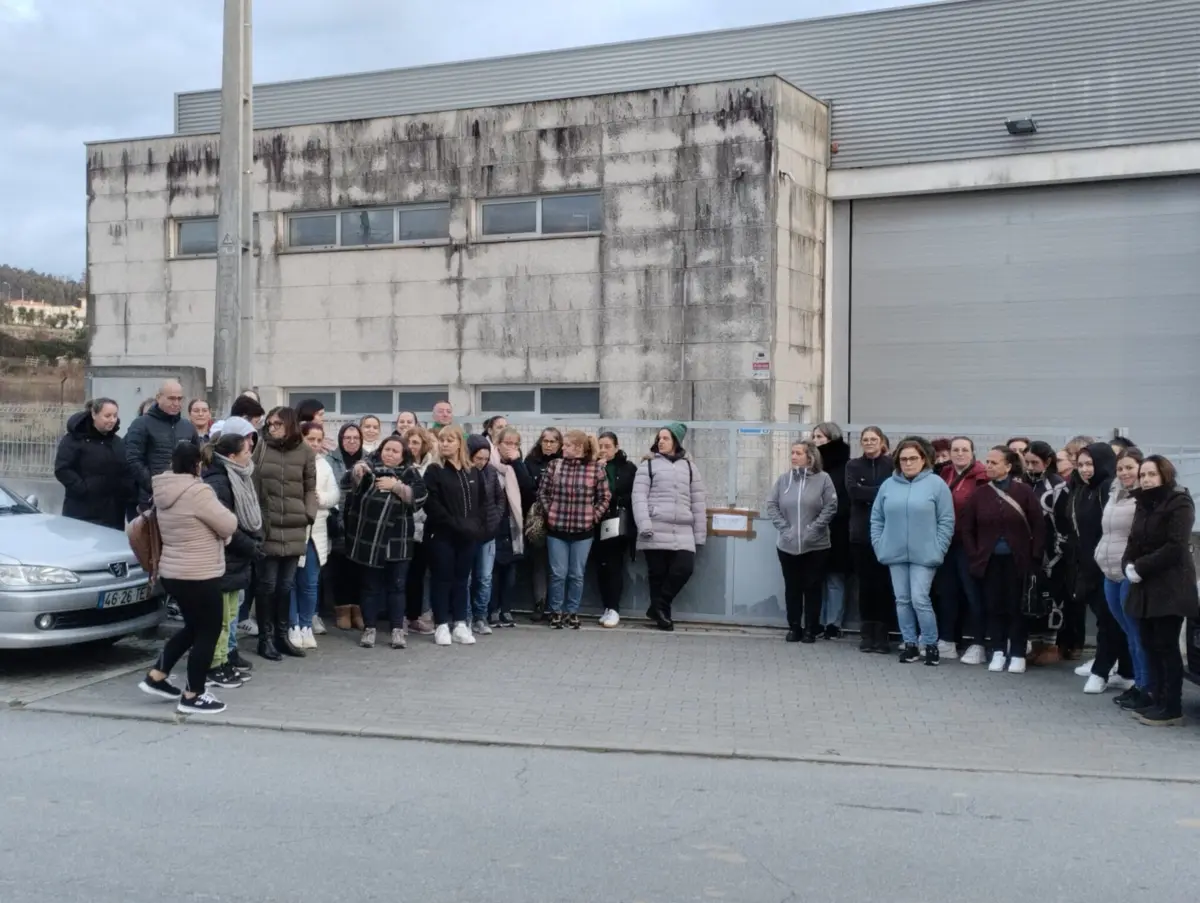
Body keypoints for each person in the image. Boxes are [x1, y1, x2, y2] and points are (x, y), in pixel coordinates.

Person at [137, 442, 237, 714]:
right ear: (197, 465)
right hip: (199, 574)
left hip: (173, 572)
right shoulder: (197, 491)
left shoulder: (163, 488)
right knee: (208, 632)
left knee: (193, 628)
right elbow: (228, 523)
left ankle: (157, 676)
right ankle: (193, 695)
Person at [1124, 455, 1199, 726]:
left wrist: (1140, 566)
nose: (1146, 480)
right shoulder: (1144, 503)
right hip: (1145, 587)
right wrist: (1128, 564)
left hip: (1170, 587)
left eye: (1151, 474)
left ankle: (1172, 706)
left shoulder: (1179, 502)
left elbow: (1175, 545)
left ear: (1164, 475)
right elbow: (1133, 540)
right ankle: (1156, 698)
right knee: (1149, 644)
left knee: (1166, 646)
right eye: (1143, 475)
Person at [870, 437, 955, 666]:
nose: (908, 463)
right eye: (903, 459)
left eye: (913, 458)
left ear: (924, 460)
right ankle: (909, 644)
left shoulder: (937, 485)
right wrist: (879, 544)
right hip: (895, 552)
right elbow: (877, 517)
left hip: (925, 554)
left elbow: (946, 520)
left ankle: (930, 644)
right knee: (902, 600)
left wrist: (939, 548)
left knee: (920, 598)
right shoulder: (888, 485)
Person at [961, 446, 1045, 673]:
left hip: (1019, 562)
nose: (988, 466)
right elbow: (966, 528)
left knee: (1017, 607)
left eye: (994, 462)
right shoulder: (979, 494)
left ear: (1008, 466)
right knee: (993, 606)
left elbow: (1039, 525)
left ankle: (1017, 652)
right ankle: (998, 650)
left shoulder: (1024, 492)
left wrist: (1035, 557)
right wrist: (975, 553)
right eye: (987, 461)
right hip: (989, 562)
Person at [1060, 442, 1134, 694]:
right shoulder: (1084, 490)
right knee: (1111, 621)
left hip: (1111, 566)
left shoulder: (1108, 488)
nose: (1085, 469)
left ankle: (1102, 670)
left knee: (1110, 623)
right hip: (1090, 564)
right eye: (1080, 465)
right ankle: (1126, 672)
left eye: (1089, 464)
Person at [343, 434, 428, 649]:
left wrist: (396, 487)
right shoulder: (368, 468)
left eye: (395, 451)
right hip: (370, 540)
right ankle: (369, 628)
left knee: (397, 587)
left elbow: (420, 498)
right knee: (370, 586)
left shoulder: (410, 472)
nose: (389, 454)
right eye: (387, 449)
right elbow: (347, 487)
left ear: (403, 455)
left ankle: (397, 630)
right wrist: (358, 471)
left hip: (398, 540)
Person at [252, 407, 317, 660]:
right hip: (266, 525)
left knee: (285, 585)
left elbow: (310, 488)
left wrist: (307, 514)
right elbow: (252, 482)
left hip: (294, 525)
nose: (272, 428)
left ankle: (282, 636)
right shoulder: (262, 447)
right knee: (267, 585)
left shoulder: (305, 452)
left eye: (277, 424)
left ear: (289, 424)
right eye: (269, 424)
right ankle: (265, 639)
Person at [201, 429, 262, 688]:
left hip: (237, 558)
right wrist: (250, 546)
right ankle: (214, 665)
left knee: (231, 616)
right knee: (223, 620)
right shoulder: (219, 481)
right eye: (246, 451)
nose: (250, 454)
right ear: (231, 455)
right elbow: (225, 525)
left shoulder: (239, 476)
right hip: (225, 557)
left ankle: (224, 660)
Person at [632, 423, 706, 632]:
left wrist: (699, 534)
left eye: (666, 438)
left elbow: (698, 501)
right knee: (658, 574)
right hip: (654, 527)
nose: (661, 442)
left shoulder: (690, 467)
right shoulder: (647, 466)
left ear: (676, 441)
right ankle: (663, 616)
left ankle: (659, 606)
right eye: (659, 438)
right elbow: (638, 498)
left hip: (683, 530)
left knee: (684, 568)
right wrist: (644, 524)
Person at [1093, 447, 1150, 706]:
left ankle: (1146, 686)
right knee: (1128, 632)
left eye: (1130, 467)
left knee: (1138, 635)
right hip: (1110, 572)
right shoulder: (1114, 492)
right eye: (1121, 468)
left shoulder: (1145, 497)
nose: (1125, 472)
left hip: (1130, 573)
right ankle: (1139, 682)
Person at [538, 430, 612, 629]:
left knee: (576, 574)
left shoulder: (596, 469)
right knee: (558, 573)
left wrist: (593, 516)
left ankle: (572, 612)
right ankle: (555, 611)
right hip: (557, 529)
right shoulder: (554, 466)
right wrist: (549, 513)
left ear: (579, 447)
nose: (562, 448)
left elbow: (605, 497)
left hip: (583, 531)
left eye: (567, 445)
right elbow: (543, 493)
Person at [766, 439, 837, 644]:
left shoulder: (823, 479)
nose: (793, 456)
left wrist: (814, 529)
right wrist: (785, 528)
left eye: (798, 453)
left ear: (810, 457)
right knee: (792, 587)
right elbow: (772, 505)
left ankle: (811, 628)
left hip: (816, 546)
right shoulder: (784, 480)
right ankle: (794, 627)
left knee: (813, 586)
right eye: (792, 453)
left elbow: (830, 507)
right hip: (787, 545)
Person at [422, 425, 488, 645]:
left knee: (462, 580)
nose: (445, 444)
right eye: (442, 440)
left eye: (450, 440)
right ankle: (441, 624)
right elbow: (432, 504)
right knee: (442, 579)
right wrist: (457, 524)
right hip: (442, 535)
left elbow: (481, 503)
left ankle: (460, 623)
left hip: (468, 536)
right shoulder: (434, 470)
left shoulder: (473, 471)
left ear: (460, 443)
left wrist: (476, 527)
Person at [935, 436, 988, 662]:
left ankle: (978, 643)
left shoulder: (982, 477)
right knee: (947, 593)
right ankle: (947, 640)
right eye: (955, 450)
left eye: (964, 450)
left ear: (972, 452)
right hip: (946, 543)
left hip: (970, 545)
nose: (959, 454)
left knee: (973, 595)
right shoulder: (943, 474)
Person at [288, 421, 340, 649]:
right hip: (293, 529)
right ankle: (293, 624)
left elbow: (334, 495)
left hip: (316, 531)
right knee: (290, 581)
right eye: (311, 439)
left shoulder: (325, 466)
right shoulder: (290, 461)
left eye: (319, 440)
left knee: (310, 582)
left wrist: (321, 499)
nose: (316, 444)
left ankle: (307, 624)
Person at [846, 427, 895, 654]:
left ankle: (883, 634)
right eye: (865, 439)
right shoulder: (853, 465)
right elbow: (854, 493)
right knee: (865, 586)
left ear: (881, 441)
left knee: (884, 586)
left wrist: (870, 491)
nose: (869, 443)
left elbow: (894, 492)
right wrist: (881, 491)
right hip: (861, 535)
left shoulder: (892, 465)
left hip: (888, 533)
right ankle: (867, 634)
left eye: (873, 439)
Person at [54, 398, 133, 532]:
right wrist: (84, 488)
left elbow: (125, 470)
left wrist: (125, 491)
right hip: (82, 509)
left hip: (113, 512)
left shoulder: (117, 442)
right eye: (107, 416)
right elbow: (63, 469)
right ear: (94, 414)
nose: (112, 420)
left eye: (115, 416)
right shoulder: (74, 440)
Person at [1023, 441, 1070, 666]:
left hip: (1053, 553)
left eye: (1035, 462)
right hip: (1027, 551)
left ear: (1048, 462)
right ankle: (1036, 644)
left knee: (1053, 599)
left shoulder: (1058, 486)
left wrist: (1057, 553)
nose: (1030, 467)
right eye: (1028, 462)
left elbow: (1064, 523)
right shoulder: (1022, 482)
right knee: (1030, 598)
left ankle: (1051, 645)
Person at [125, 379, 200, 513]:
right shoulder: (141, 424)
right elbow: (133, 459)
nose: (176, 403)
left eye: (179, 399)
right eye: (171, 398)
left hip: (183, 499)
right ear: (158, 398)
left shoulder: (188, 427)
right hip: (151, 500)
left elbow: (196, 461)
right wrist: (153, 486)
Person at [593, 431, 638, 628]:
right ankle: (606, 606)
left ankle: (614, 608)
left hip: (617, 523)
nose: (603, 450)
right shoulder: (592, 467)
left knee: (614, 566)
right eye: (600, 446)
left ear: (616, 447)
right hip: (595, 522)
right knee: (600, 566)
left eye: (607, 446)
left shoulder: (627, 468)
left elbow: (633, 494)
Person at [812, 423, 852, 638]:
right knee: (815, 578)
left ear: (831, 439)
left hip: (838, 529)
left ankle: (833, 624)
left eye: (820, 436)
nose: (815, 440)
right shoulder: (811, 466)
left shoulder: (845, 466)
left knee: (835, 578)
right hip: (813, 529)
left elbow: (845, 499)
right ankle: (814, 620)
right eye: (814, 436)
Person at [467, 434, 507, 635]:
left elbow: (500, 499)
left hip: (488, 533)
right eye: (478, 458)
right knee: (466, 578)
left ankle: (480, 617)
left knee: (484, 577)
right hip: (468, 534)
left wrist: (496, 518)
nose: (482, 462)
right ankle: (465, 617)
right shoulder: (464, 472)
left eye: (485, 458)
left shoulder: (491, 472)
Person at [327, 423, 365, 631]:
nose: (351, 441)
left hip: (362, 519)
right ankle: (342, 608)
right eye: (347, 438)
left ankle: (357, 609)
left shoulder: (369, 458)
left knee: (359, 568)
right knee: (340, 566)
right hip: (339, 516)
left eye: (355, 438)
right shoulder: (330, 459)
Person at [524, 427, 563, 620]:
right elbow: (527, 488)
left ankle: (555, 606)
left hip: (560, 520)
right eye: (545, 441)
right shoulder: (530, 462)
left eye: (553, 441)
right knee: (538, 563)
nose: (548, 445)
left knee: (557, 565)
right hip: (537, 519)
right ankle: (539, 603)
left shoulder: (564, 463)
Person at [402, 427, 437, 635]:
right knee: (402, 575)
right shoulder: (402, 465)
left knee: (418, 574)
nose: (412, 447)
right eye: (410, 443)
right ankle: (401, 618)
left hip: (424, 527)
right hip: (404, 526)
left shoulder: (432, 466)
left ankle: (414, 616)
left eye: (416, 443)